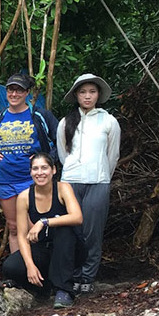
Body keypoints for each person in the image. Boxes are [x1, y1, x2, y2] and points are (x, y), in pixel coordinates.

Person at [0, 73, 59, 254]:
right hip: (5, 180)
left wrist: (46, 160)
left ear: (27, 92)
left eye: (19, 90)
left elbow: (61, 141)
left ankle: (40, 267)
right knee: (13, 226)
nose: (14, 94)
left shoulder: (39, 116)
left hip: (33, 180)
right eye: (11, 89)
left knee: (35, 224)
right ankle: (18, 270)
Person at [57, 73, 120, 294]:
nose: (87, 96)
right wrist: (74, 171)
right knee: (71, 231)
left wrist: (102, 175)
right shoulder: (66, 122)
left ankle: (88, 276)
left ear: (98, 95)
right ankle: (72, 275)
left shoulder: (109, 121)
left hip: (98, 182)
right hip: (71, 182)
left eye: (92, 92)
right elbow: (63, 154)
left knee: (92, 232)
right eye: (83, 92)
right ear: (76, 95)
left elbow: (112, 155)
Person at [1, 152, 84, 309]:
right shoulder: (25, 197)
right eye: (35, 169)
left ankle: (64, 290)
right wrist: (30, 265)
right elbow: (22, 235)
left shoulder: (63, 188)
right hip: (44, 247)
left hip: (69, 249)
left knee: (64, 230)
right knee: (11, 266)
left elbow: (77, 217)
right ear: (31, 172)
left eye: (44, 168)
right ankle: (44, 288)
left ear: (53, 170)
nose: (40, 173)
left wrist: (44, 222)